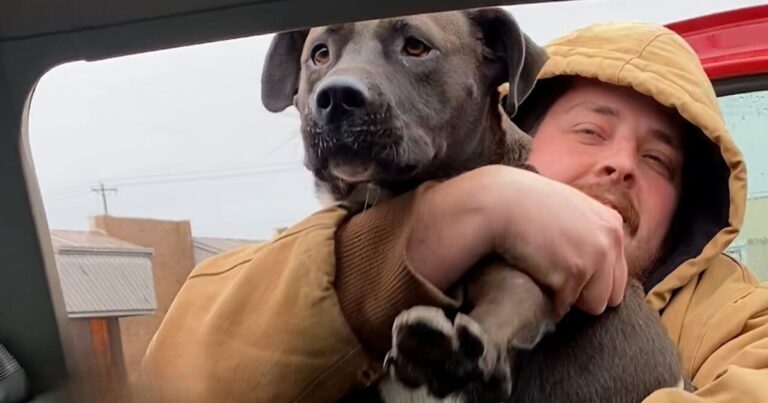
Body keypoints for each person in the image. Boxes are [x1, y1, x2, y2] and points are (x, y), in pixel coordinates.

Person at [139, 21, 768, 402]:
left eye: (658, 162)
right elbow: (179, 378)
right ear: (514, 124)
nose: (621, 165)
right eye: (590, 132)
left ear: (688, 202)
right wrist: (442, 226)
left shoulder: (738, 318)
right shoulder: (324, 245)